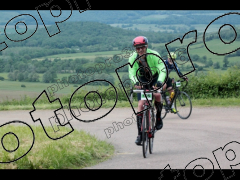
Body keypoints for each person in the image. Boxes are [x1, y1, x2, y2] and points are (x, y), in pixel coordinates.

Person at [128, 36, 166, 145]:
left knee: (157, 95)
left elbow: (162, 69)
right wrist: (135, 82)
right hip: (143, 79)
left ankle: (158, 117)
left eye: (142, 47)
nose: (140, 50)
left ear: (146, 46)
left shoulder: (154, 55)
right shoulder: (132, 58)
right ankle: (140, 134)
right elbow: (132, 72)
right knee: (140, 106)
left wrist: (159, 82)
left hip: (155, 77)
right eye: (137, 48)